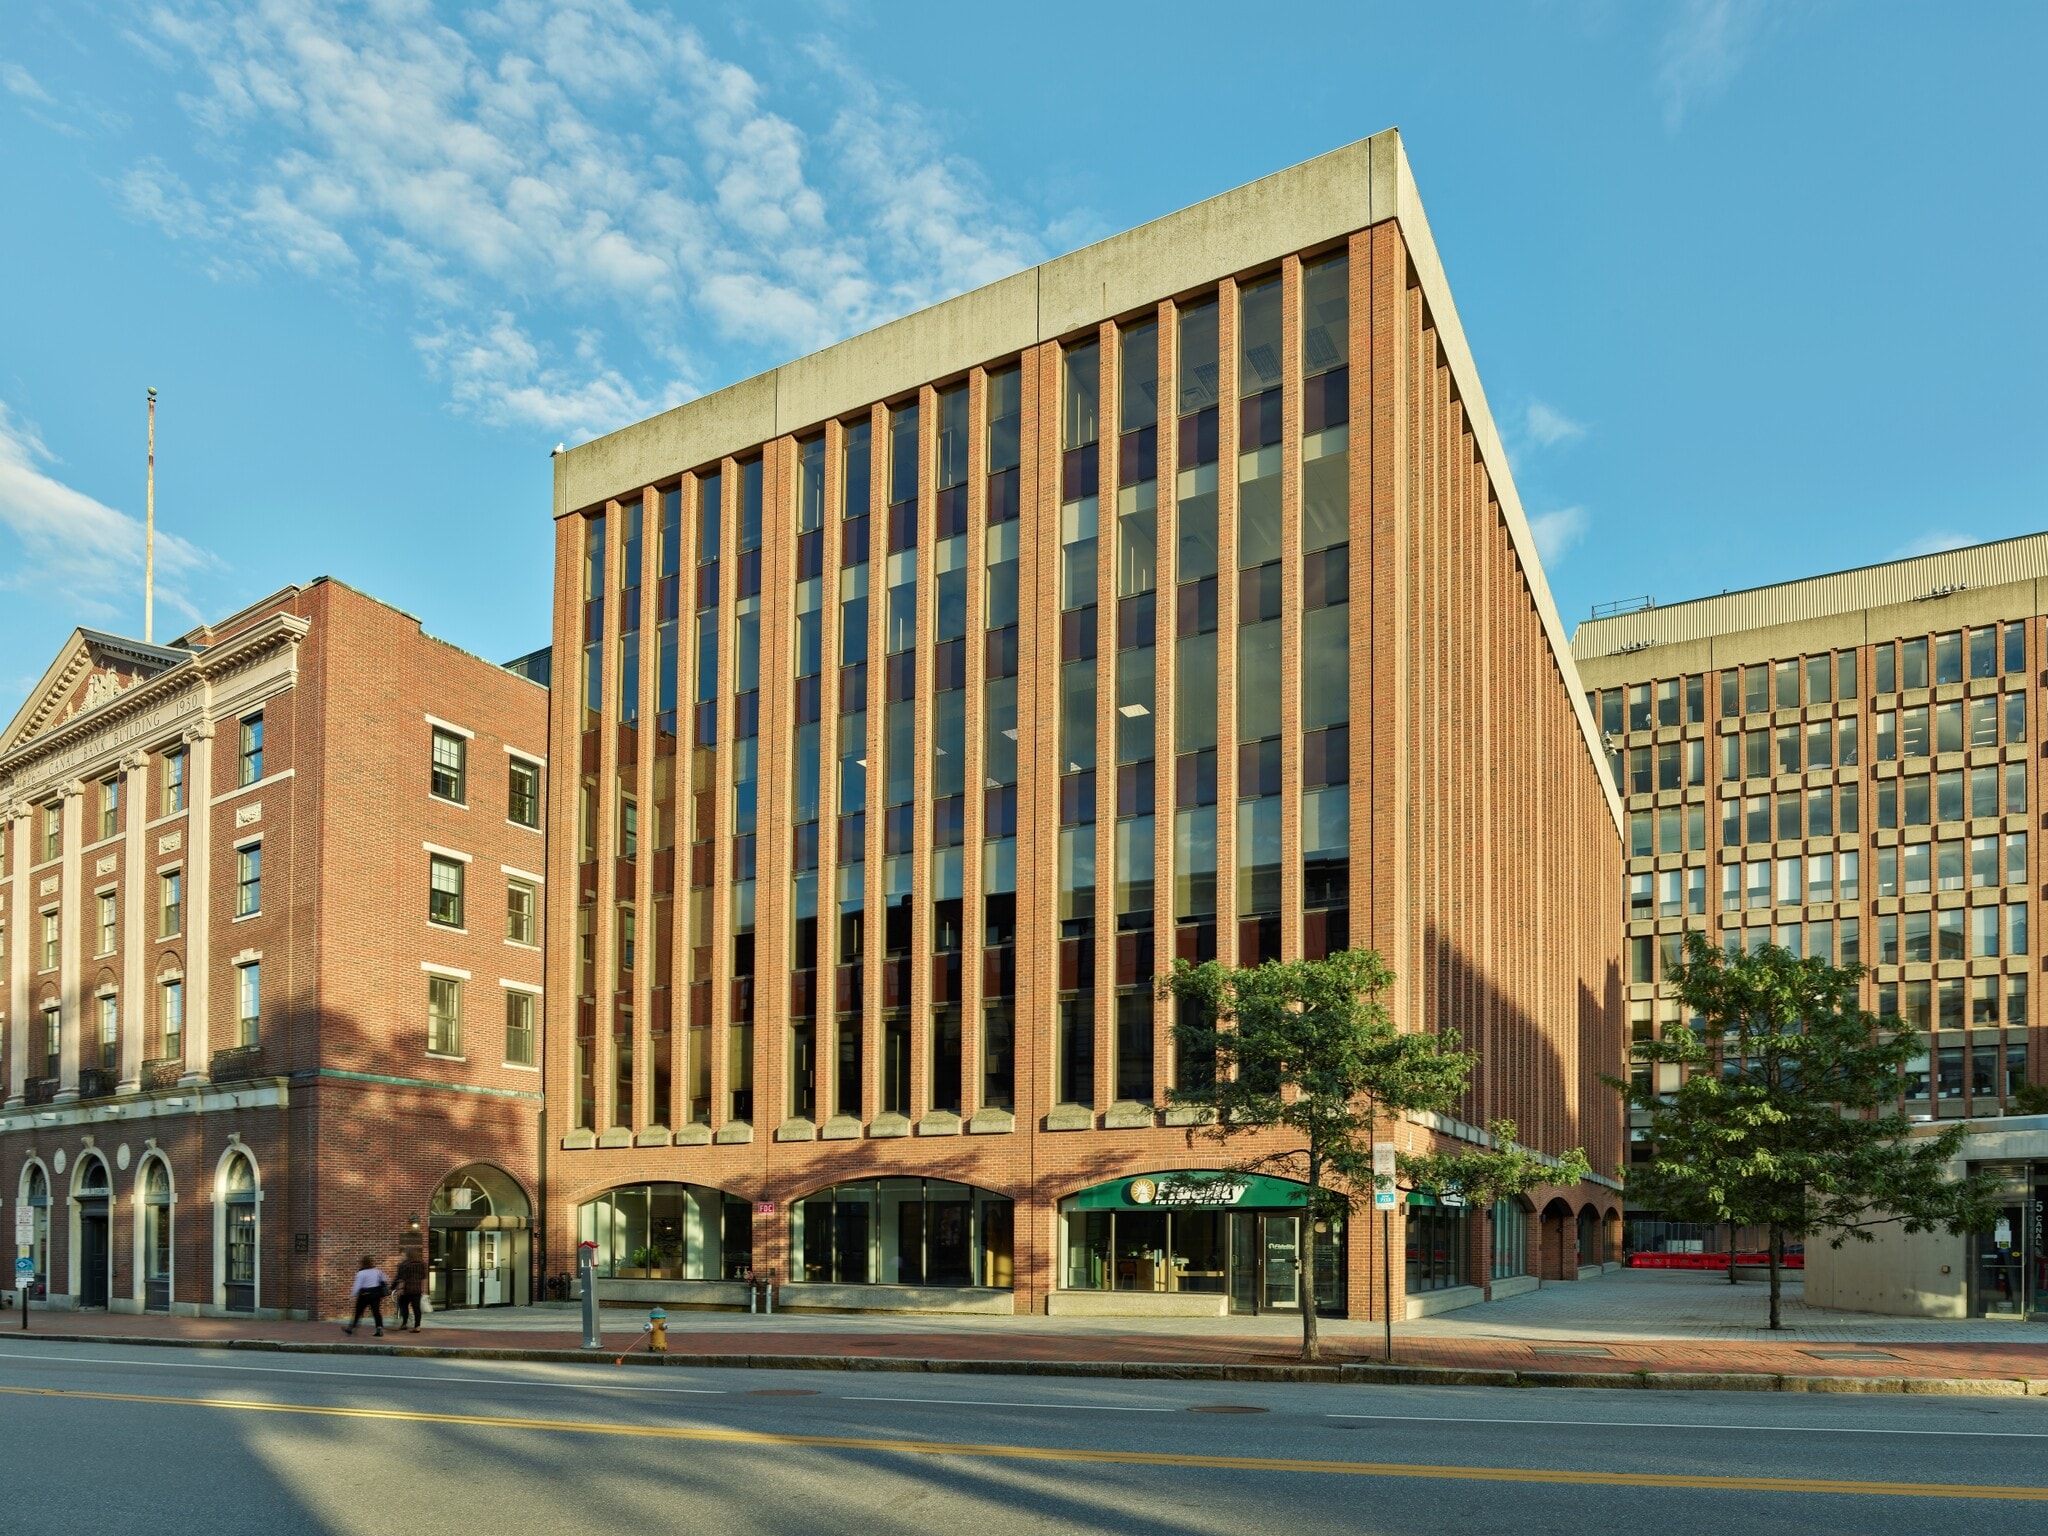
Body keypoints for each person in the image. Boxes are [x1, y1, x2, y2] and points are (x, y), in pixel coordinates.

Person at [344, 1255, 389, 1336]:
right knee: (376, 1312)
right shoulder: (377, 1271)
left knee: (358, 1312)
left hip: (364, 1295)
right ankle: (379, 1329)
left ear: (362, 1263)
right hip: (375, 1294)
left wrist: (353, 1294)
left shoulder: (361, 1273)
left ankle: (351, 1328)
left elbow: (357, 1286)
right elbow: (385, 1279)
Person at [392, 1249, 429, 1332]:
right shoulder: (422, 1264)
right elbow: (424, 1277)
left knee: (403, 1306)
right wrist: (423, 1289)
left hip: (406, 1290)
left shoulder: (403, 1265)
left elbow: (401, 1278)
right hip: (417, 1290)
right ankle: (417, 1326)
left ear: (408, 1256)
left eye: (402, 1255)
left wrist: (393, 1287)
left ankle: (404, 1323)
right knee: (416, 1308)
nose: (401, 1257)